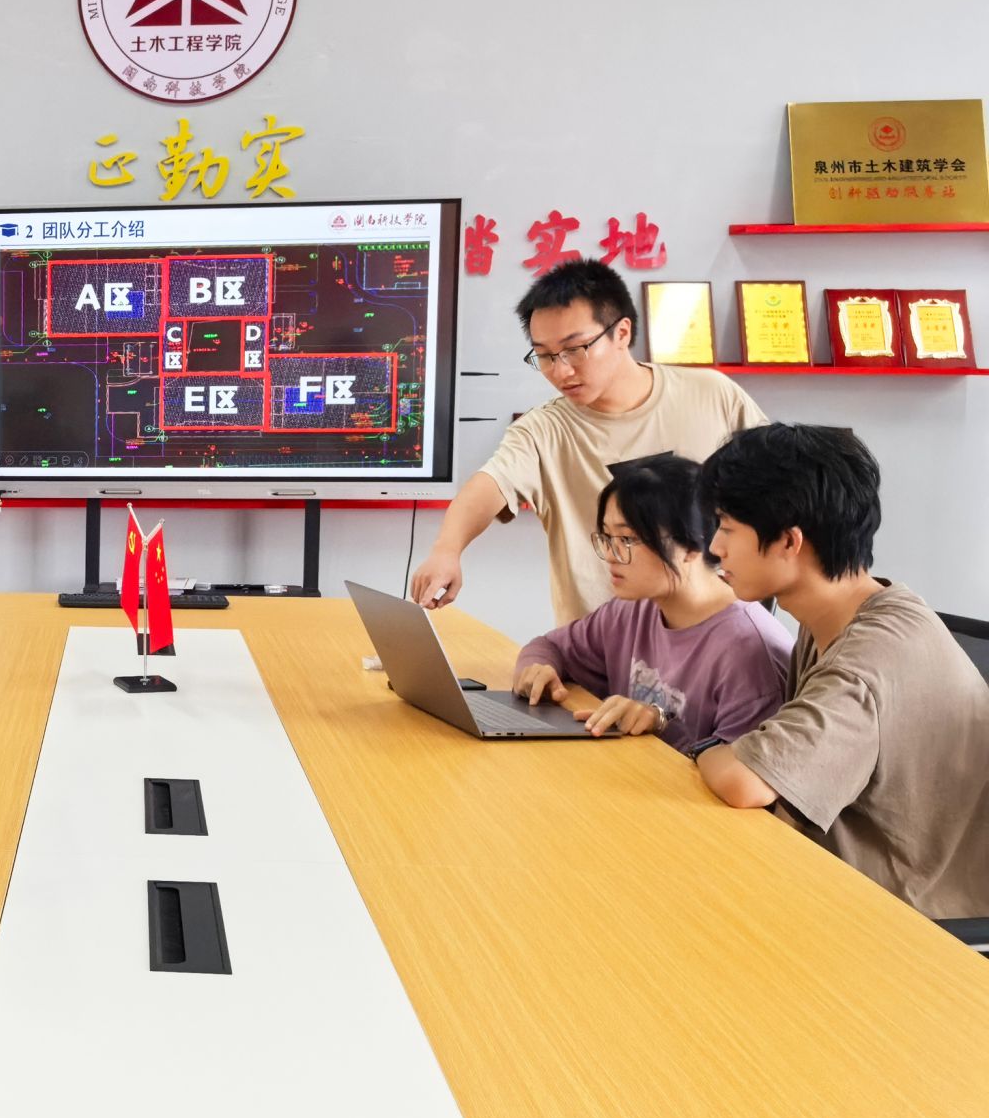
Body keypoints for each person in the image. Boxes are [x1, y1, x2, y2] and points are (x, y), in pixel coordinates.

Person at [693, 424, 989, 918]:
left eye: (726, 526)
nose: (716, 547)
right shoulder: (852, 612)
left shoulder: (866, 659)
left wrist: (705, 749)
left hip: (913, 920)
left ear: (789, 541)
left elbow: (748, 783)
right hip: (845, 882)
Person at [409, 259, 768, 624]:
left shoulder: (712, 395)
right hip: (595, 645)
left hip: (714, 631)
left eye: (575, 349)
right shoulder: (544, 429)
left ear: (622, 333)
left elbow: (775, 483)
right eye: (545, 356)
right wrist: (446, 551)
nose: (561, 371)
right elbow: (490, 484)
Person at [511, 454, 791, 747]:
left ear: (692, 546)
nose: (610, 555)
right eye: (607, 537)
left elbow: (741, 769)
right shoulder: (631, 610)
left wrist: (659, 720)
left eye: (627, 540)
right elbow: (550, 646)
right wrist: (538, 668)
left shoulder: (751, 654)